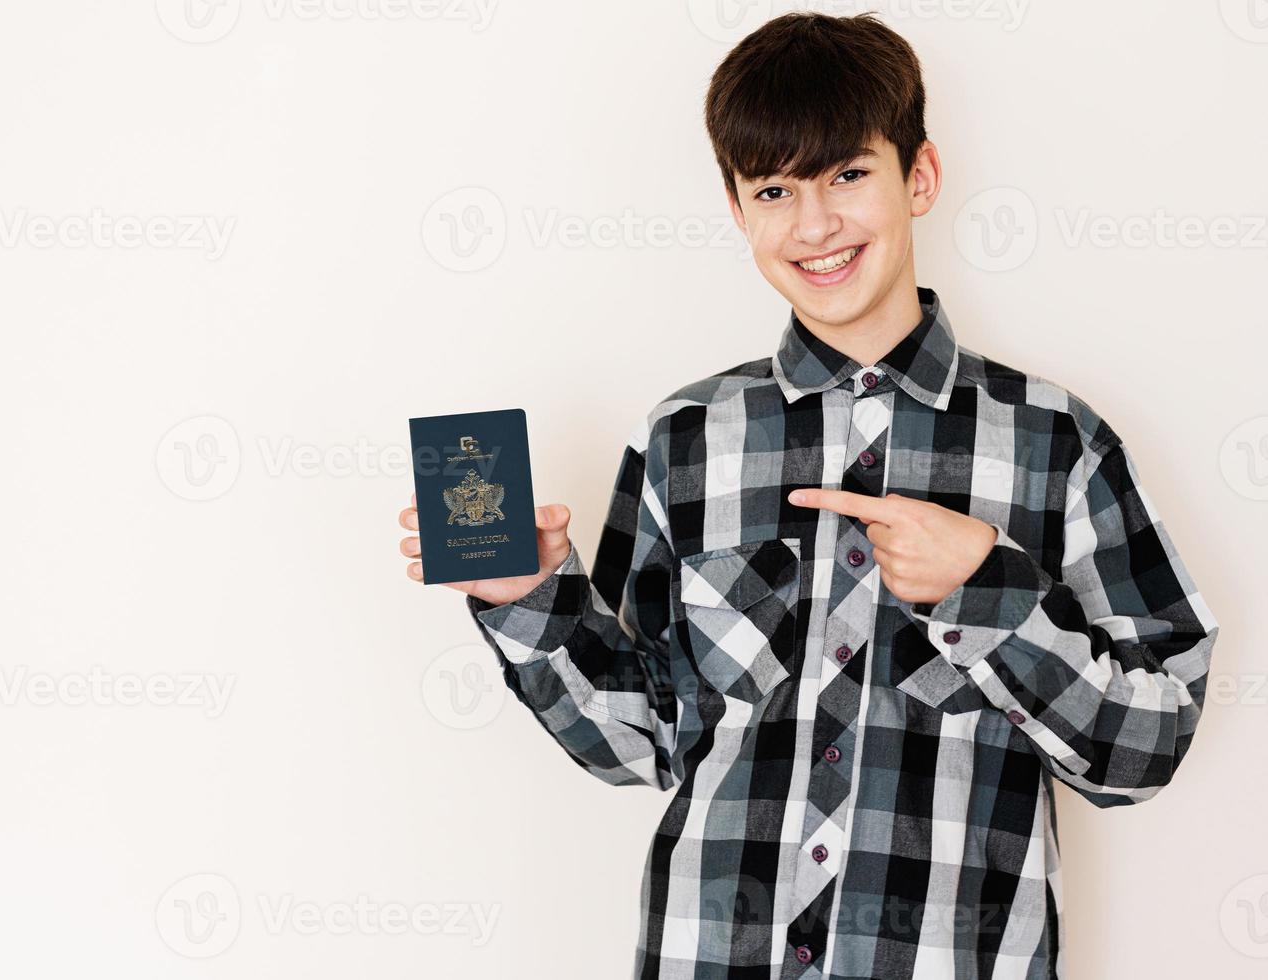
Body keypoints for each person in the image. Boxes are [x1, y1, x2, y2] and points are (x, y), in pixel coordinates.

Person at [397, 11, 1218, 978]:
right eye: (775, 188)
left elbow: (1147, 747)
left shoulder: (1056, 442)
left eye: (848, 175)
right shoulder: (683, 440)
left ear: (920, 177)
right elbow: (642, 742)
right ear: (738, 210)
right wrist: (530, 602)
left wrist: (985, 590)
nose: (814, 224)